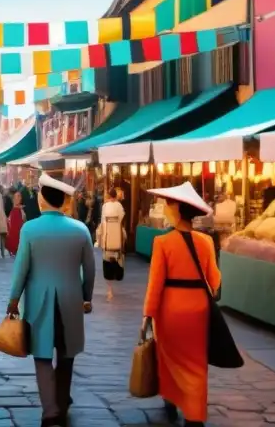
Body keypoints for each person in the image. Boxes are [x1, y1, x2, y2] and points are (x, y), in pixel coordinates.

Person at [8, 174, 95, 427]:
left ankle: (50, 410)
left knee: (43, 355)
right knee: (66, 355)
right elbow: (89, 270)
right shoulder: (80, 230)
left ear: (42, 199)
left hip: (38, 302)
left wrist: (14, 298)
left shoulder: (30, 229)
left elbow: (21, 268)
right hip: (71, 299)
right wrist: (86, 297)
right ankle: (62, 398)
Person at [142, 183, 220, 427]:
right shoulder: (206, 241)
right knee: (196, 363)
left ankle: (172, 400)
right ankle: (194, 415)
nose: (166, 208)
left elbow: (155, 284)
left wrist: (147, 315)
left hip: (171, 309)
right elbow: (215, 281)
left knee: (171, 358)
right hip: (198, 308)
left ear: (176, 209)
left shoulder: (162, 243)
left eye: (168, 204)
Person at [96, 188, 127, 300]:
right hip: (117, 235)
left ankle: (109, 290)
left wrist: (100, 239)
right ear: (116, 196)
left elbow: (103, 221)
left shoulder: (105, 206)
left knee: (107, 262)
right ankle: (118, 274)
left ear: (109, 195)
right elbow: (121, 219)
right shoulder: (119, 206)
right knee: (123, 237)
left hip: (107, 236)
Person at [5, 190, 26, 256]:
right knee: (15, 231)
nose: (20, 198)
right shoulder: (16, 209)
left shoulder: (20, 208)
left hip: (17, 213)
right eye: (18, 196)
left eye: (20, 196)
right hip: (16, 214)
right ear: (14, 198)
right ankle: (14, 248)